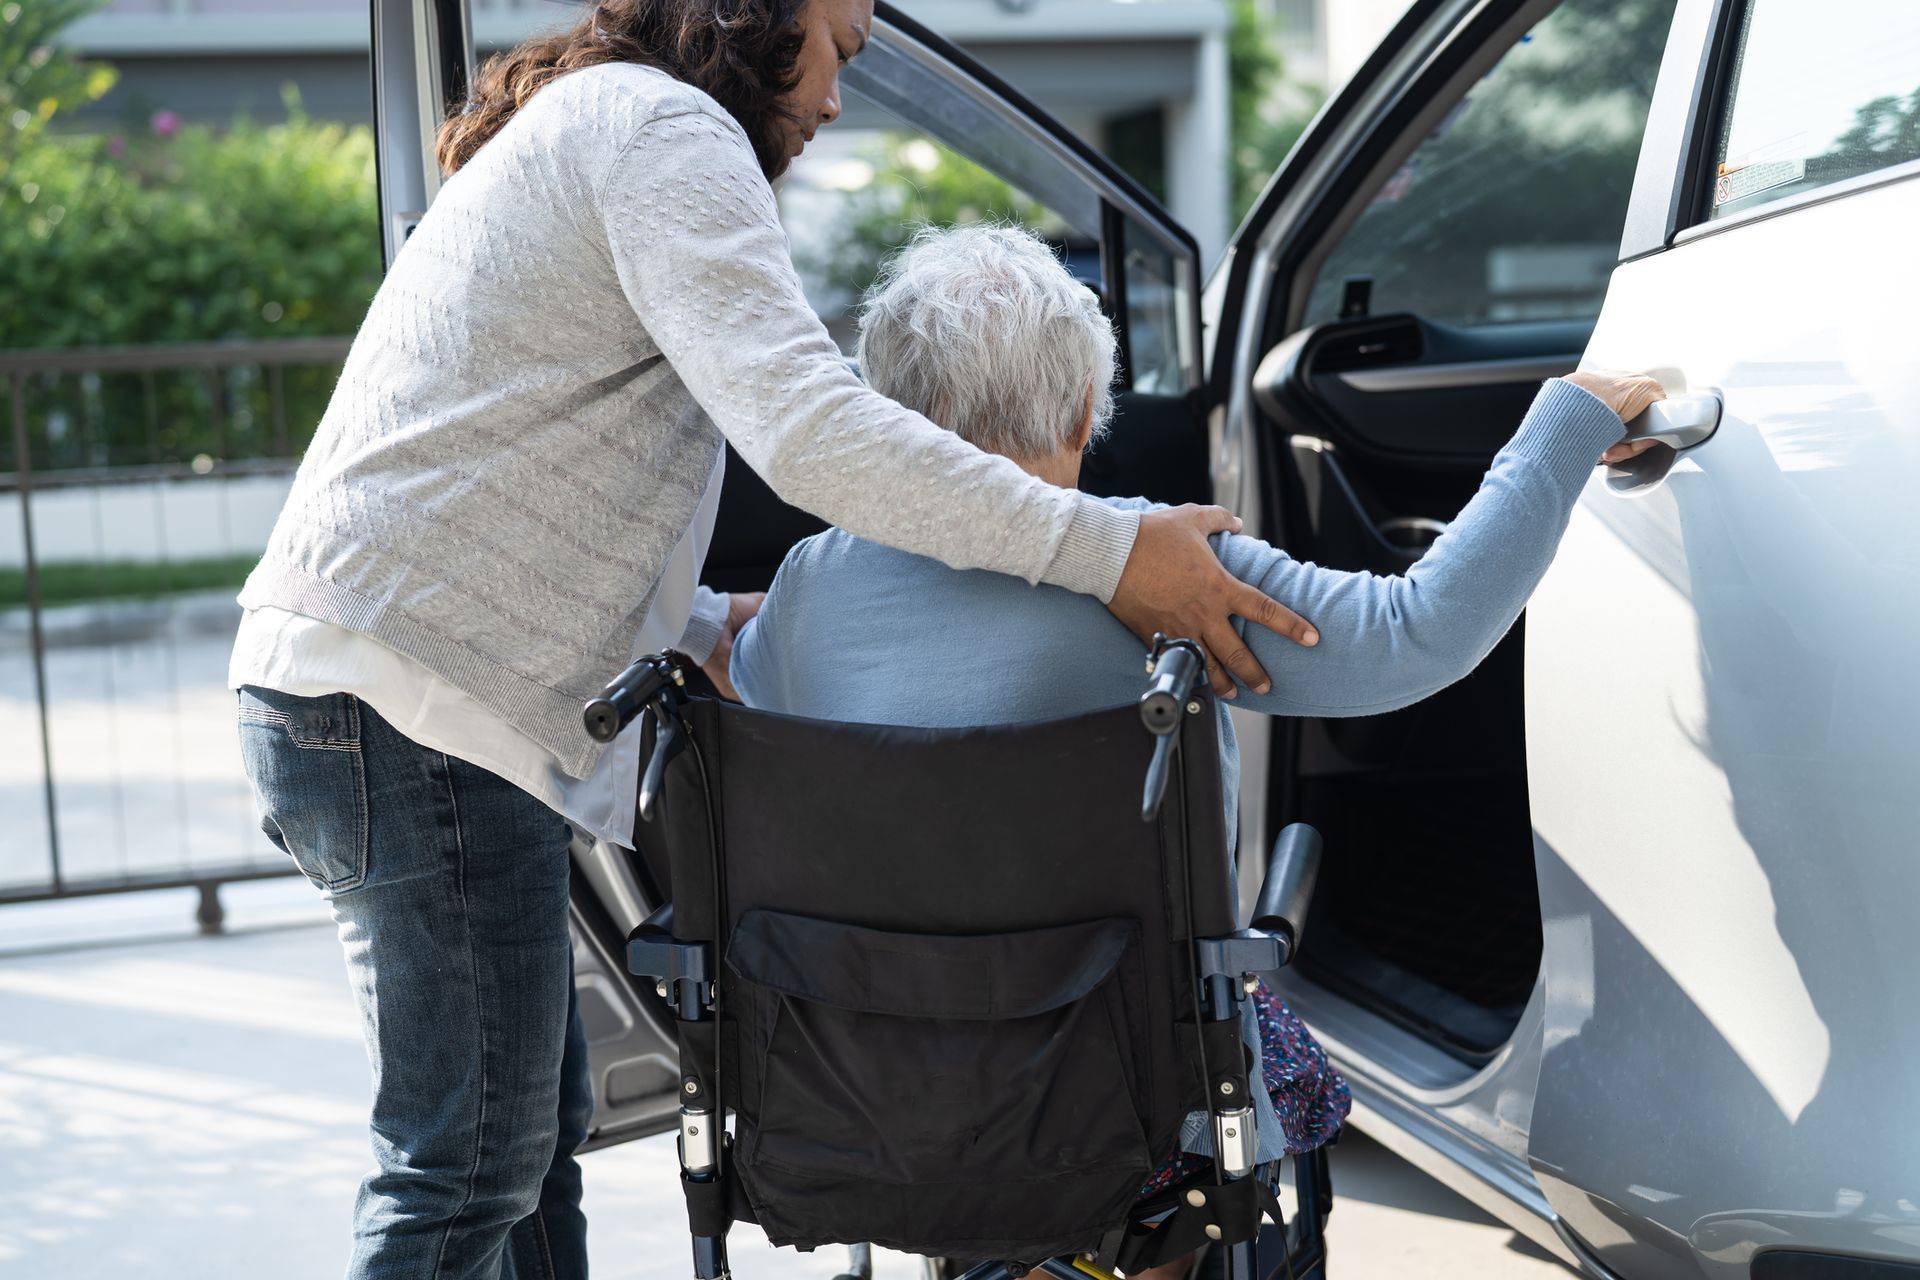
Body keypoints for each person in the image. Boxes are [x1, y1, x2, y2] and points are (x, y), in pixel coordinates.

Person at [228, 1, 1325, 1276]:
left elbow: (533, 450)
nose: (838, 97)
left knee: (524, 1155)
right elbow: (809, 432)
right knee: (463, 1169)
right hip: (411, 712)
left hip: (386, 693)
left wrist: (698, 620)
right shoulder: (665, 125)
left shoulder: (610, 120)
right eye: (845, 47)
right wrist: (1112, 547)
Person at [728, 223, 1665, 1272]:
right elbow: (1419, 633)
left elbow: (751, 699)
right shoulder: (1159, 570)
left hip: (873, 1084)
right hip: (1134, 1102)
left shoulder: (813, 584)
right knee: (1280, 1057)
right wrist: (1568, 421)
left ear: (888, 412)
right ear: (1087, 409)